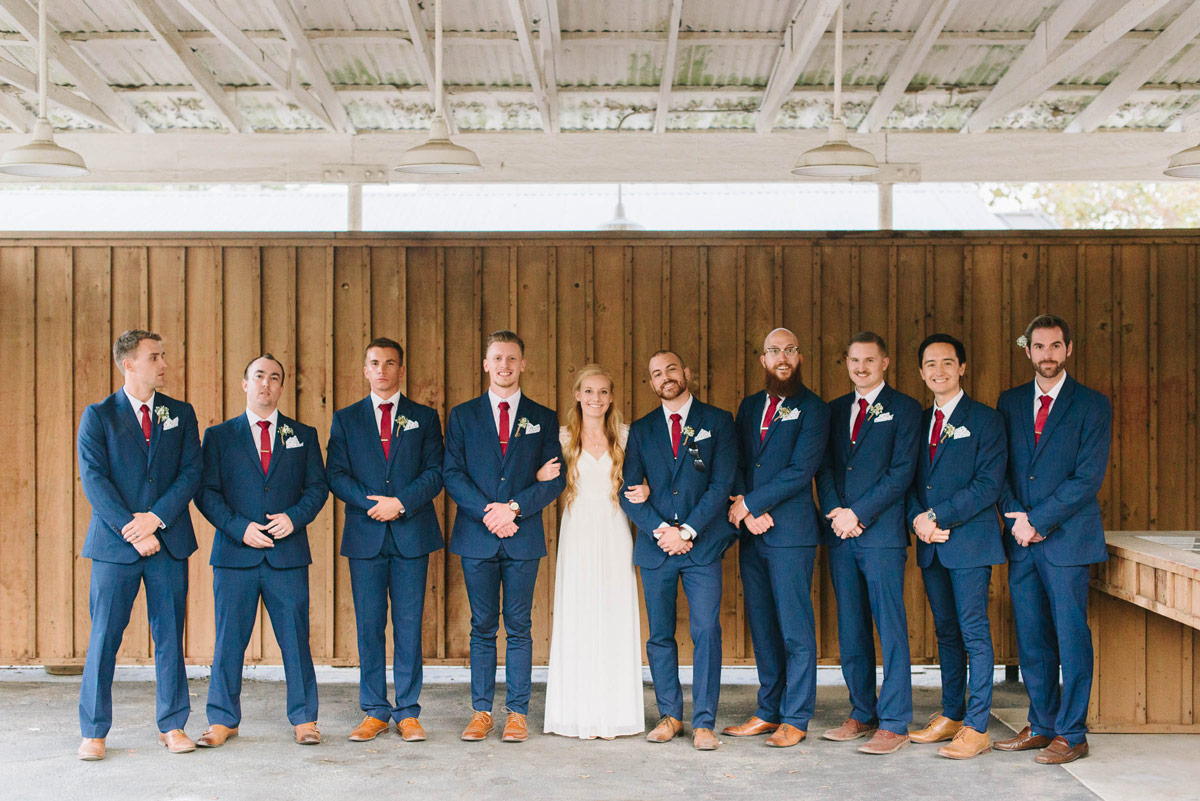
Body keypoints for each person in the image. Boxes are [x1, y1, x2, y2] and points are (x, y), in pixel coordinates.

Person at [76, 330, 202, 760]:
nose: (164, 363)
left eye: (163, 355)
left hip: (168, 543)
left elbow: (190, 474)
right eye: (154, 357)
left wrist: (154, 520)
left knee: (169, 636)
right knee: (104, 638)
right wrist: (133, 528)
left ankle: (173, 725)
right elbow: (94, 480)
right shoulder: (99, 416)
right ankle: (93, 732)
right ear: (129, 364)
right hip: (115, 547)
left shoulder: (181, 414)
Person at [193, 354, 329, 747]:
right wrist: (239, 528)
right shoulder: (219, 436)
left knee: (295, 640)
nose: (266, 384)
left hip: (286, 556)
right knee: (228, 640)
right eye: (258, 376)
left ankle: (305, 719)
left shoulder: (303, 434)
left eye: (274, 378)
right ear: (244, 383)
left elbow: (316, 488)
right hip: (236, 555)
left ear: (282, 387)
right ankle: (223, 719)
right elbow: (206, 492)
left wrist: (294, 518)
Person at [993, 314, 1111, 765]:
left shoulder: (1092, 405)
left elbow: (1087, 478)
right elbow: (999, 468)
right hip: (1022, 541)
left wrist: (1038, 521)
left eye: (1055, 346)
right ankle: (1042, 725)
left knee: (1070, 637)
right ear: (1028, 351)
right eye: (1039, 347)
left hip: (1067, 542)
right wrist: (1017, 519)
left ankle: (1072, 732)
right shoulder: (1010, 401)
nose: (1047, 355)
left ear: (1069, 349)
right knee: (1032, 638)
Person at [443, 330, 565, 743]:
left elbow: (553, 479)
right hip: (476, 537)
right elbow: (452, 475)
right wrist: (487, 513)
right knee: (481, 626)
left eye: (512, 359)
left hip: (521, 534)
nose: (504, 366)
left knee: (519, 626)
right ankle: (481, 712)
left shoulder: (543, 417)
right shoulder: (462, 416)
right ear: (485, 364)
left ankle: (516, 712)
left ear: (523, 364)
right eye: (497, 358)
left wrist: (512, 508)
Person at [327, 337, 445, 743]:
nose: (381, 370)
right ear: (365, 370)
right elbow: (336, 474)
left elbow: (435, 471)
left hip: (411, 533)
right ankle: (375, 710)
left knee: (409, 625)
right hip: (366, 536)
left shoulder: (424, 418)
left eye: (389, 363)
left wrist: (401, 503)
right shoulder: (346, 419)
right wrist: (372, 504)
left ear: (400, 370)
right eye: (374, 363)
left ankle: (408, 712)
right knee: (369, 625)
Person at [620, 350, 736, 751]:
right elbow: (629, 491)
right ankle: (670, 715)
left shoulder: (718, 422)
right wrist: (659, 530)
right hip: (657, 550)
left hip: (700, 546)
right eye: (656, 373)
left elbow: (722, 485)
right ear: (651, 383)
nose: (665, 377)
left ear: (686, 373)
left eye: (671, 369)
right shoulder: (641, 429)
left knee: (706, 631)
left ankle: (704, 722)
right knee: (660, 636)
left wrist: (686, 530)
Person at [723, 328, 829, 748]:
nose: (781, 357)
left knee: (794, 629)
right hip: (753, 535)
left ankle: (797, 716)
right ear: (763, 358)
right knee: (764, 627)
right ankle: (768, 711)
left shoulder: (814, 409)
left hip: (791, 535)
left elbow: (800, 471)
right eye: (773, 351)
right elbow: (733, 461)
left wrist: (750, 504)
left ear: (799, 357)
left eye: (789, 350)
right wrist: (745, 512)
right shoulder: (749, 407)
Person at [816, 331, 921, 755]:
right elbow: (821, 468)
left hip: (880, 535)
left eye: (869, 360)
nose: (861, 367)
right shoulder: (834, 411)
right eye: (854, 360)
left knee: (889, 626)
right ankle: (862, 712)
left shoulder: (906, 409)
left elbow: (901, 474)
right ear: (846, 363)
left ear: (885, 363)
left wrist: (857, 514)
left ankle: (895, 722)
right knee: (851, 626)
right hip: (840, 535)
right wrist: (837, 514)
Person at [904, 334, 1006, 759]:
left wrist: (937, 517)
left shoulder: (985, 419)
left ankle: (978, 726)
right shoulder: (919, 420)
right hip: (931, 545)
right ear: (922, 371)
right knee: (946, 633)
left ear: (962, 368)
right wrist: (917, 520)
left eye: (948, 363)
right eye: (930, 364)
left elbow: (988, 484)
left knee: (973, 633)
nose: (939, 371)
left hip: (970, 543)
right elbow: (909, 480)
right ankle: (951, 714)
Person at [543, 365, 647, 739]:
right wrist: (539, 477)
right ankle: (576, 712)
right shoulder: (562, 436)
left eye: (603, 392)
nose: (596, 399)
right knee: (580, 614)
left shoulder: (625, 435)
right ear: (577, 394)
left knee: (614, 613)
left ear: (611, 397)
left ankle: (616, 712)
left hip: (616, 531)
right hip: (578, 533)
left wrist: (647, 490)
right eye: (588, 391)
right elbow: (535, 476)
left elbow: (645, 475)